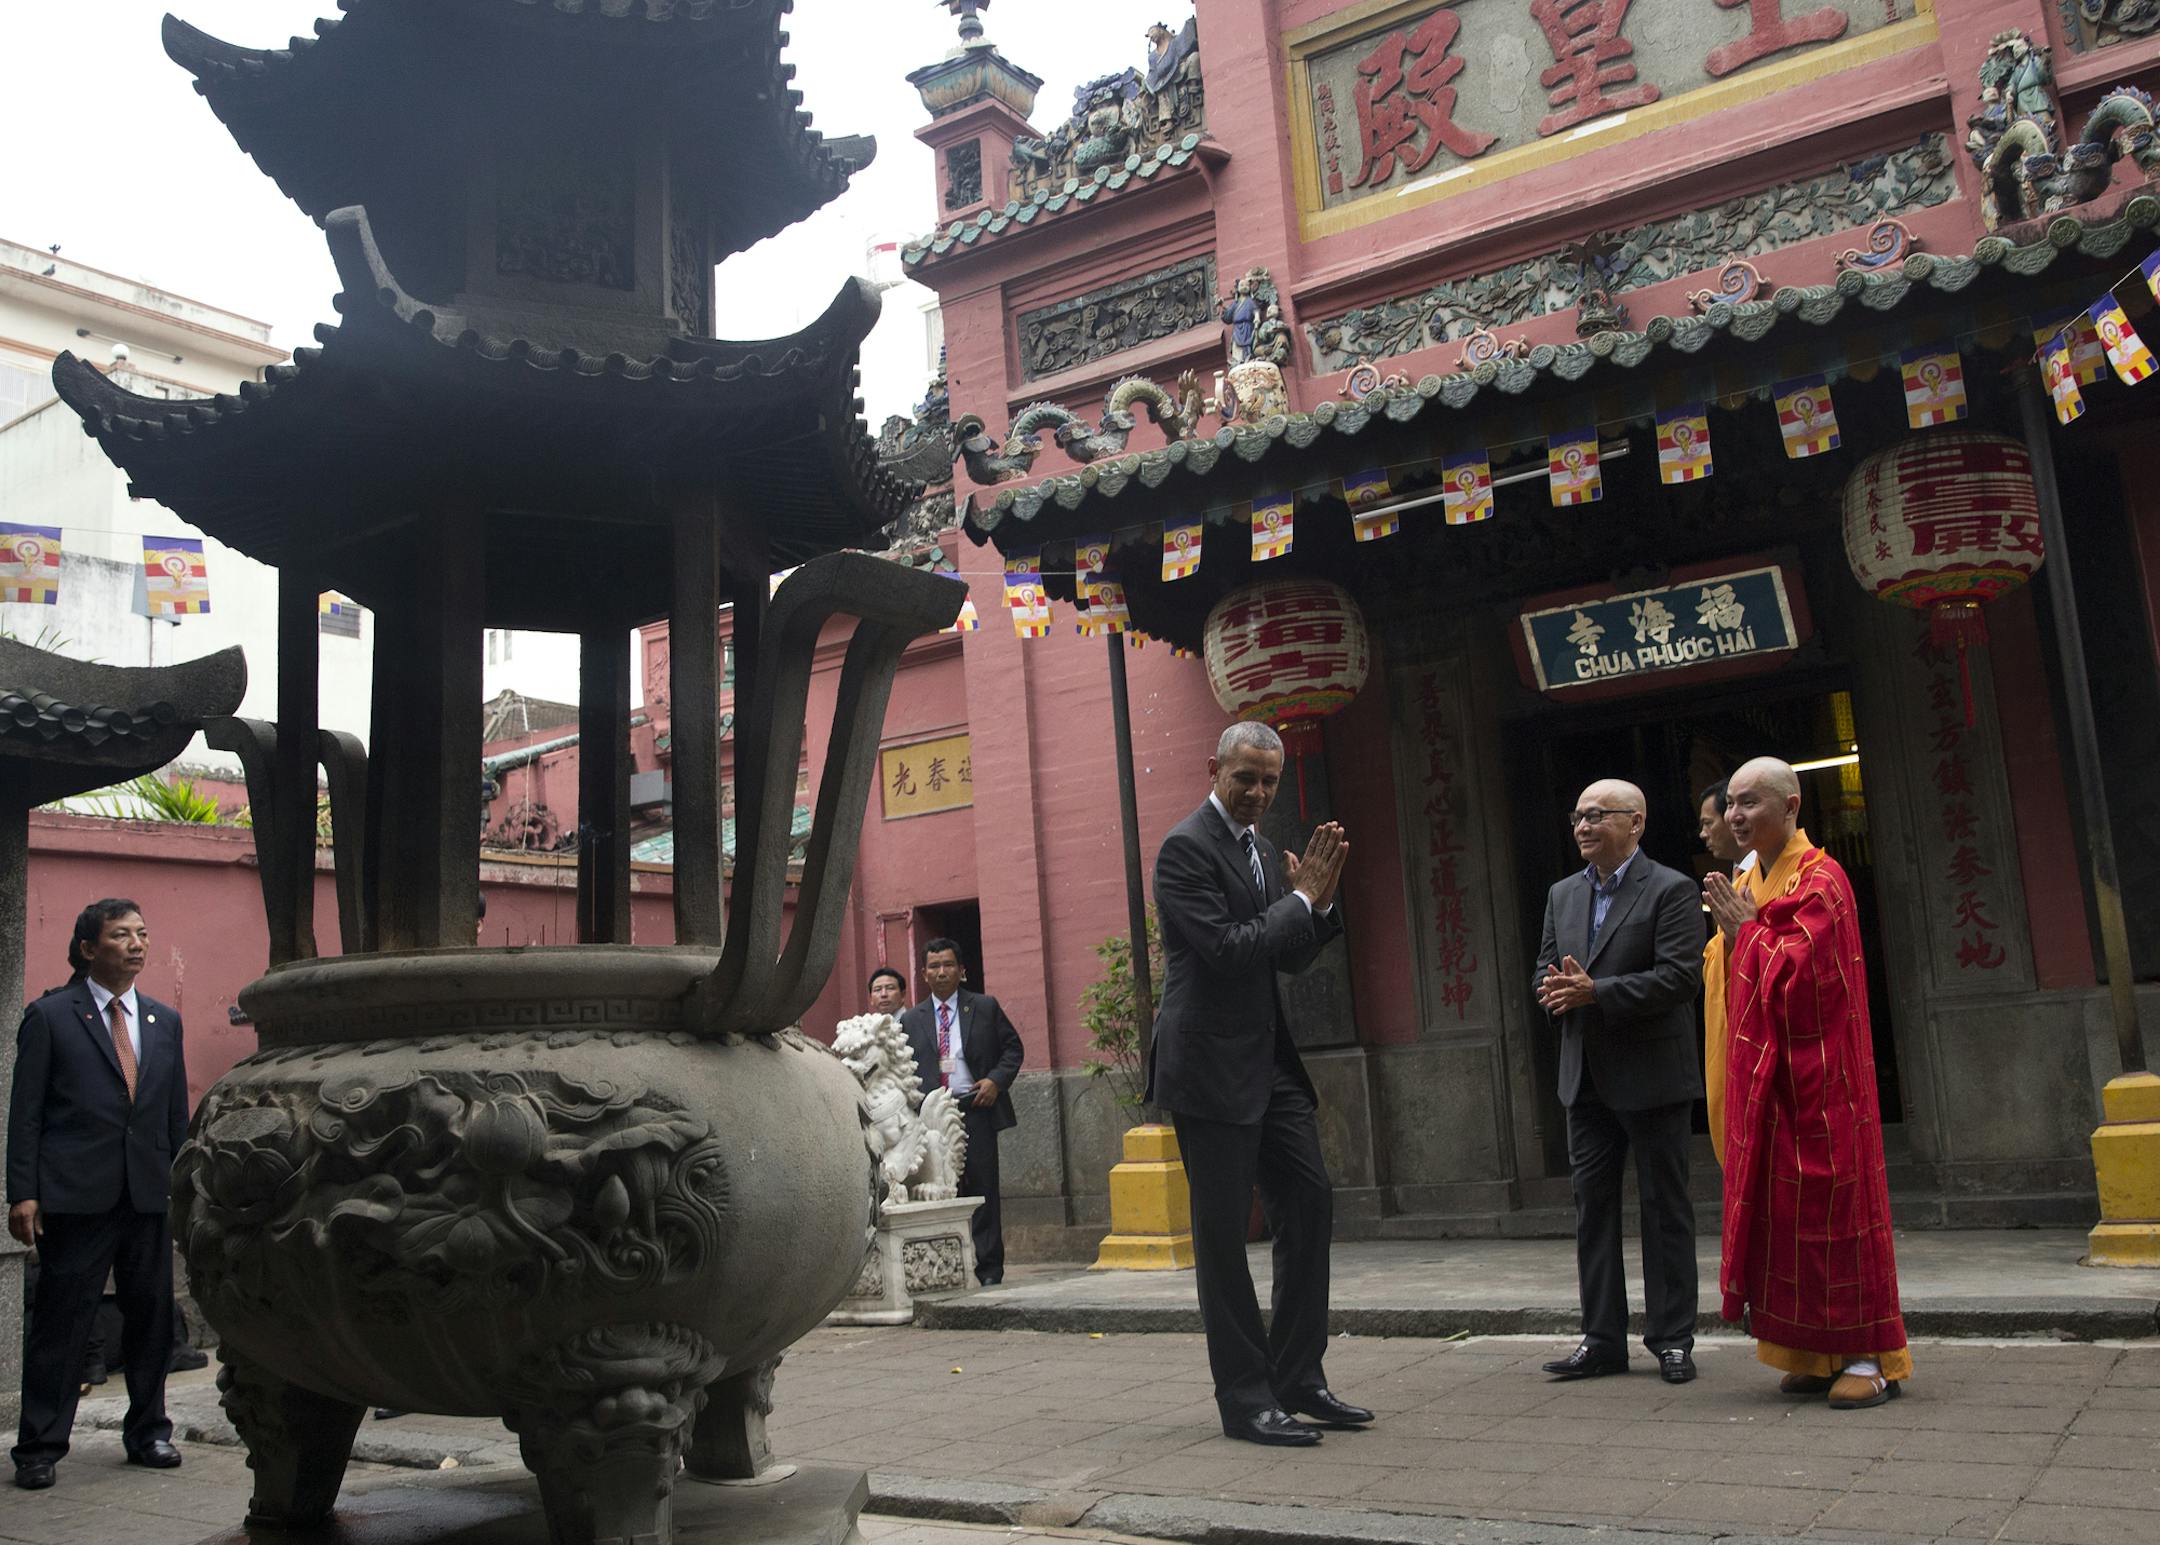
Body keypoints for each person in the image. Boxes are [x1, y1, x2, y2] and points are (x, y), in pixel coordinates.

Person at [1147, 722, 1367, 1448]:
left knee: (1308, 1200)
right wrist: (1298, 902)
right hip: (1207, 1065)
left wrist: (1321, 906)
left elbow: (1287, 957)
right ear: (1214, 767)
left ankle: (1298, 1375)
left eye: (1269, 781)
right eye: (1245, 777)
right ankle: (1244, 1397)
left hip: (1268, 1062)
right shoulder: (1185, 849)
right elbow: (1227, 949)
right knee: (1221, 1237)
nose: (1259, 792)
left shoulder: (1266, 852)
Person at [1704, 758, 1909, 1410]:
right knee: (1785, 1218)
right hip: (1769, 1081)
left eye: (1751, 803)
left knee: (1836, 1215)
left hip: (1824, 1081)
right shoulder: (1747, 877)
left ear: (1791, 805)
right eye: (1731, 803)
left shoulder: (1823, 879)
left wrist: (1748, 935)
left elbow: (1814, 983)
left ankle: (1867, 1357)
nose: (1737, 815)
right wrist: (1740, 938)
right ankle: (1812, 1352)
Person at [7, 900, 189, 1489]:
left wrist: (181, 1185)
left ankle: (149, 1432)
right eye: (120, 935)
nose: (136, 944)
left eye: (142, 933)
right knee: (62, 1323)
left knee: (152, 1319)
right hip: (76, 1195)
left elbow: (173, 1114)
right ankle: (39, 1446)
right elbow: (26, 1113)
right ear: (89, 949)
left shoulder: (163, 1020)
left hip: (147, 1194)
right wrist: (23, 1193)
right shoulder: (53, 1016)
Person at [1533, 781, 1706, 1386]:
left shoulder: (1672, 889)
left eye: (1596, 816)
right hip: (1584, 1077)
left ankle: (1672, 1337)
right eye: (1577, 816)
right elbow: (1546, 967)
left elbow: (1682, 978)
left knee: (1665, 1209)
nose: (1582, 826)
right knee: (1593, 1212)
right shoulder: (1562, 895)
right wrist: (1552, 990)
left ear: (1635, 822)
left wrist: (1597, 992)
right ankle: (1601, 1337)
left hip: (1654, 1074)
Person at [899, 941, 1023, 1285]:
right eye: (934, 966)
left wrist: (996, 1082)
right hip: (933, 1117)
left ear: (961, 969)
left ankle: (989, 1271)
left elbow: (1013, 1049)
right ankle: (951, 1269)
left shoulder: (984, 1007)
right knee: (938, 1190)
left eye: (949, 965)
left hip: (976, 1108)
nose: (942, 972)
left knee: (983, 1190)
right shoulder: (911, 1019)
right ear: (924, 974)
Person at [1696, 782, 1750, 877]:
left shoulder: (1770, 869)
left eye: (1708, 823)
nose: (1702, 834)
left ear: (1731, 818)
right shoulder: (1734, 878)